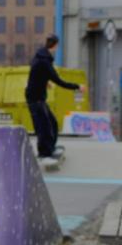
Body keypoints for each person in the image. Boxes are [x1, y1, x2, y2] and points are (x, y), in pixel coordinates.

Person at [25, 35, 82, 164]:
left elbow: (35, 73)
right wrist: (77, 87)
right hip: (35, 99)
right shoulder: (45, 61)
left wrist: (44, 82)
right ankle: (44, 153)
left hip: (38, 97)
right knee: (43, 127)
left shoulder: (40, 57)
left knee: (52, 123)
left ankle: (50, 149)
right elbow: (59, 81)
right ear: (55, 45)